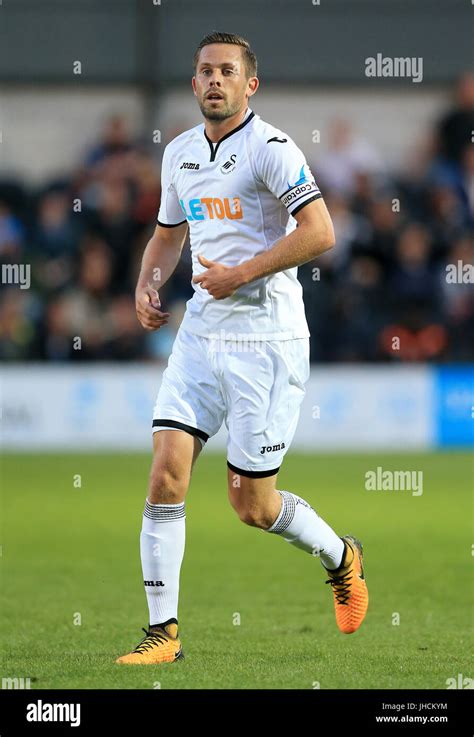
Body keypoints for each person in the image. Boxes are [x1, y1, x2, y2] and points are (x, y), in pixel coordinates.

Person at [116, 31, 368, 665]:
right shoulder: (177, 153)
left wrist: (243, 271)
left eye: (227, 71)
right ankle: (162, 635)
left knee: (252, 506)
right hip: (201, 333)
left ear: (249, 84)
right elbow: (168, 234)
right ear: (194, 82)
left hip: (267, 340)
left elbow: (321, 232)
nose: (214, 81)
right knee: (166, 472)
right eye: (204, 72)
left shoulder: (273, 150)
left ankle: (340, 557)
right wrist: (148, 286)